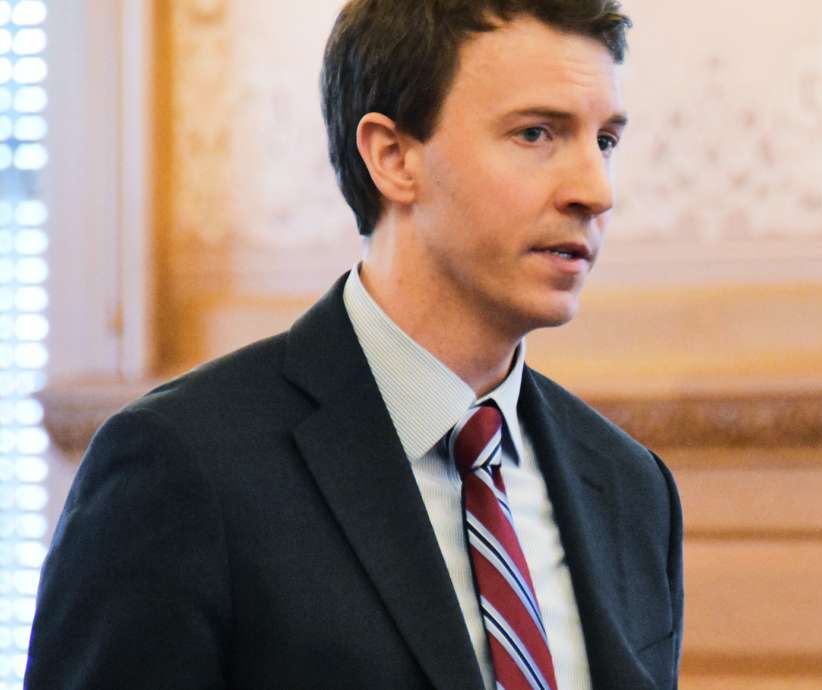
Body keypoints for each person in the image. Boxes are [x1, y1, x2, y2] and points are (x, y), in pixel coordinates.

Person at [25, 1, 683, 688]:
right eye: (536, 134)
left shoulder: (633, 489)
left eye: (605, 141)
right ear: (393, 157)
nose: (594, 190)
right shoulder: (182, 466)